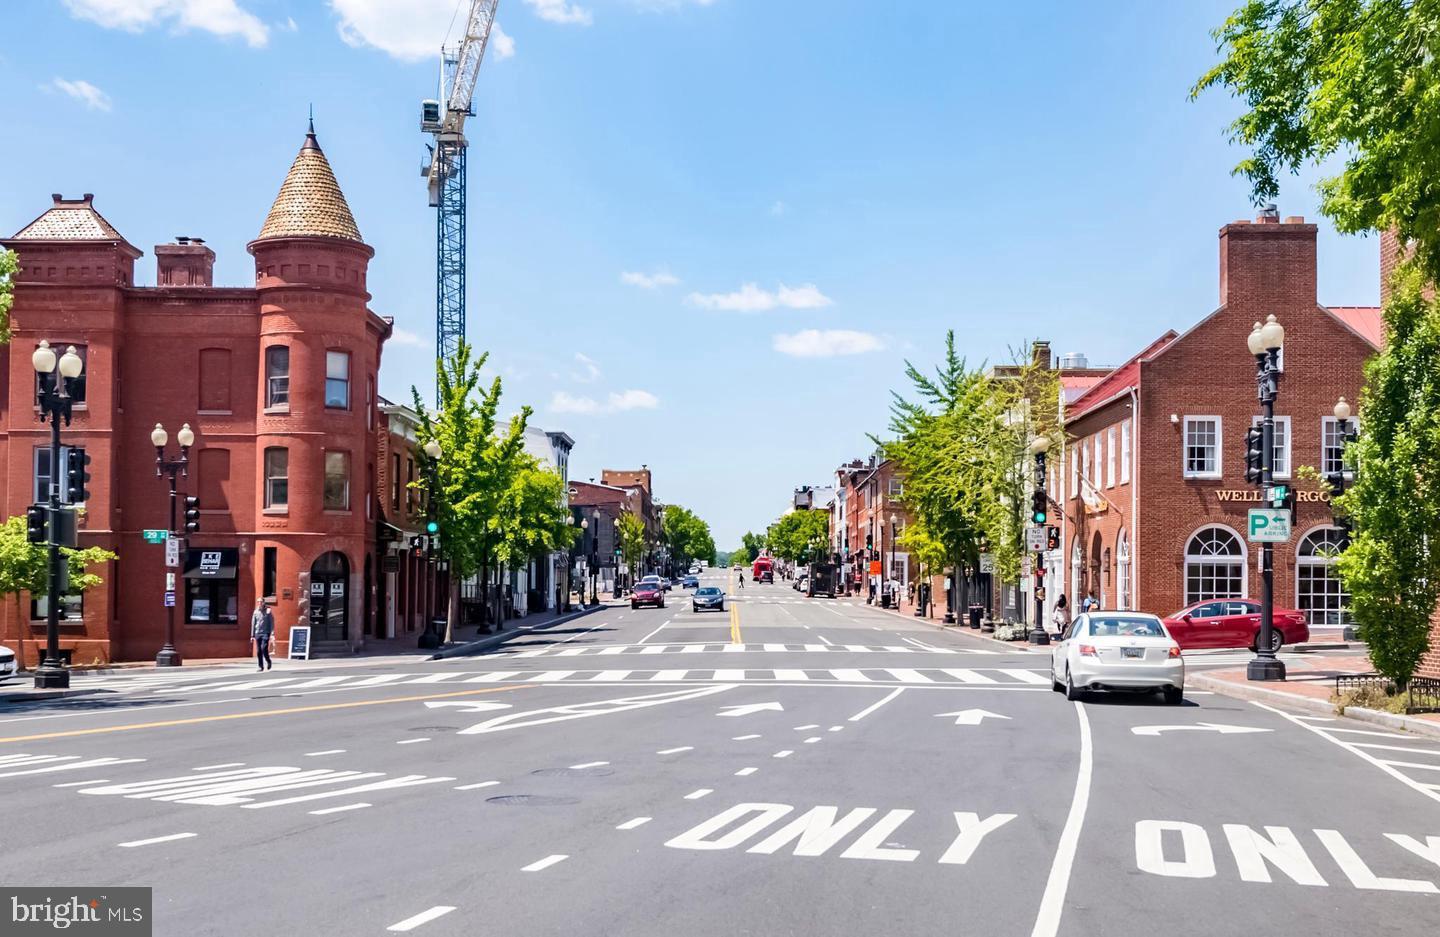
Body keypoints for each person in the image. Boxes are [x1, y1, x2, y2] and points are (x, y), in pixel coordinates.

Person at [251, 599, 275, 671]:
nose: (259, 603)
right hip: (257, 633)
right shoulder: (255, 612)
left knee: (264, 648)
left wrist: (272, 634)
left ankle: (268, 661)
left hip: (265, 633)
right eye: (258, 602)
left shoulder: (268, 611)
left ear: (264, 603)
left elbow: (271, 623)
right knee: (259, 651)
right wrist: (252, 635)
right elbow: (253, 623)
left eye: (261, 602)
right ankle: (260, 666)